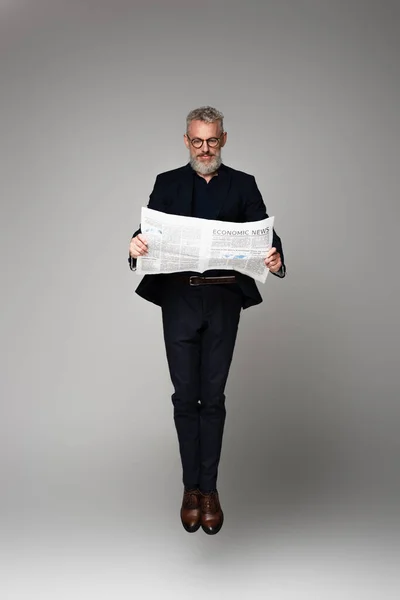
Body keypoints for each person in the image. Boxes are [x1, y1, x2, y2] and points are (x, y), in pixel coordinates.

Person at [128, 106, 286, 535]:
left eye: (212, 140)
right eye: (197, 141)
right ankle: (189, 490)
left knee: (212, 398)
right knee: (185, 398)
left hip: (222, 302)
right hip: (179, 301)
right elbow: (146, 231)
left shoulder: (243, 184)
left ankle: (210, 490)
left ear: (224, 139)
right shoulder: (167, 183)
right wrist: (135, 245)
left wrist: (274, 256)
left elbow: (265, 233)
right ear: (185, 141)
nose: (204, 149)